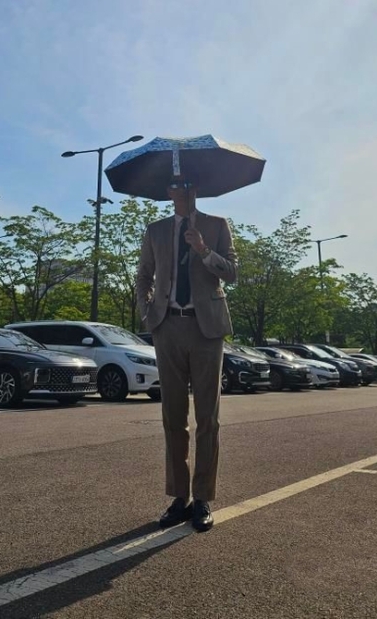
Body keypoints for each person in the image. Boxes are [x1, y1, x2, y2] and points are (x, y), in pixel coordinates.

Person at [136, 177, 237, 532]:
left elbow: (233, 273)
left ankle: (203, 497)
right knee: (173, 417)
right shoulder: (156, 230)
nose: (185, 191)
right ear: (169, 192)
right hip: (168, 326)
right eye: (178, 186)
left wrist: (204, 250)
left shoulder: (216, 225)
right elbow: (144, 275)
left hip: (206, 327)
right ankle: (179, 497)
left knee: (208, 417)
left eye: (191, 185)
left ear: (197, 190)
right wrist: (147, 313)